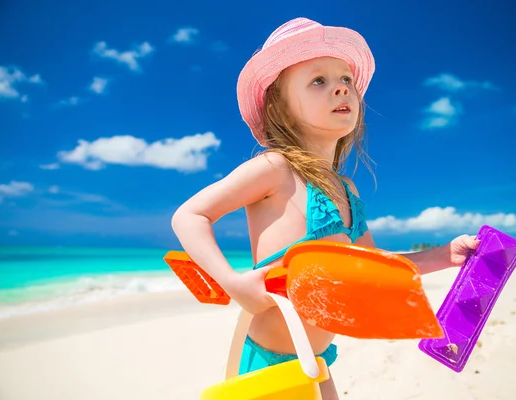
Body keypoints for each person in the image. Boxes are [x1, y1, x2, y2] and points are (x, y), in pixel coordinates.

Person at [172, 17, 479, 400]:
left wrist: (444, 255)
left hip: (314, 360)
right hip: (270, 366)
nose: (339, 87)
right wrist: (232, 283)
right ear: (280, 110)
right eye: (318, 81)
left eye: (346, 79)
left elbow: (374, 263)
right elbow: (189, 216)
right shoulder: (275, 169)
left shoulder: (347, 190)